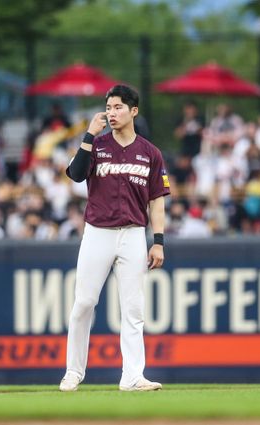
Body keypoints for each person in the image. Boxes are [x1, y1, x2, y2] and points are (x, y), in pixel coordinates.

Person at [60, 85, 170, 392]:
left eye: (118, 107)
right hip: (98, 232)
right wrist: (88, 135)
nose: (112, 113)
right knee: (84, 302)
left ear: (134, 111)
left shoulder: (150, 153)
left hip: (133, 234)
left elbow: (157, 200)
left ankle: (132, 375)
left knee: (133, 308)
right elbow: (76, 174)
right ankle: (73, 371)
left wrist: (158, 240)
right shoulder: (96, 145)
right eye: (108, 107)